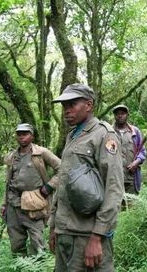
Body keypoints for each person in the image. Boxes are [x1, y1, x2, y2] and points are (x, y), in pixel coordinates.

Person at [49, 83, 124, 272]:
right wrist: (54, 226)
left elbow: (114, 188)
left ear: (89, 105)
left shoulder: (104, 135)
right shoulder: (72, 135)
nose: (66, 110)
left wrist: (98, 235)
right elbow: (63, 183)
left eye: (72, 104)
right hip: (65, 231)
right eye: (64, 106)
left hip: (87, 234)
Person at [0, 123, 61, 256]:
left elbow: (62, 169)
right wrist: (4, 203)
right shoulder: (12, 156)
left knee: (37, 244)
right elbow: (8, 182)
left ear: (32, 136)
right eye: (19, 134)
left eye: (25, 134)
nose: (21, 137)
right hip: (13, 203)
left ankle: (37, 267)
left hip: (34, 203)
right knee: (16, 243)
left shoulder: (41, 153)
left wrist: (49, 187)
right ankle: (20, 266)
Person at [111, 104, 147, 195]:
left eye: (122, 113)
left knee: (132, 207)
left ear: (127, 115)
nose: (120, 116)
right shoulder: (109, 132)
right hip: (114, 179)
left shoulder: (135, 132)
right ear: (114, 116)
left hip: (131, 179)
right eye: (117, 114)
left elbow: (142, 152)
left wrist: (136, 162)